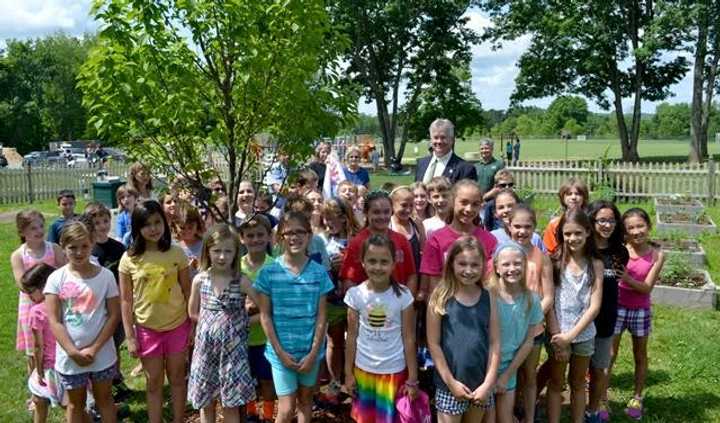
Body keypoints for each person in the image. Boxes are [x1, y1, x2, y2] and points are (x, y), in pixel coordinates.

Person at [254, 211, 334, 423]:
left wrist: (313, 353)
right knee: (287, 408)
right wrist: (280, 353)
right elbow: (265, 316)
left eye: (300, 232)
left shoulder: (318, 273)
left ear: (309, 236)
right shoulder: (269, 273)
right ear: (280, 237)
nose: (294, 237)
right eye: (288, 232)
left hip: (310, 352)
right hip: (281, 354)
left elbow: (321, 317)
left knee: (306, 401)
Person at [119, 200, 191, 423]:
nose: (153, 228)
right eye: (147, 224)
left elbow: (189, 293)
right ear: (137, 227)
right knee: (153, 382)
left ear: (165, 223)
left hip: (178, 326)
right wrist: (130, 337)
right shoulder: (129, 259)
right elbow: (125, 300)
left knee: (178, 379)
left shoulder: (177, 253)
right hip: (147, 330)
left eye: (158, 222)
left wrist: (193, 326)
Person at [44, 221, 120, 423]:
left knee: (105, 399)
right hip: (70, 358)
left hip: (102, 354)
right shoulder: (55, 279)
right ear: (62, 246)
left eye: (84, 246)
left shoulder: (106, 277)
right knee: (75, 405)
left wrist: (94, 348)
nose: (79, 252)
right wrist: (72, 351)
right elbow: (54, 320)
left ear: (92, 243)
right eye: (72, 247)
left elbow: (113, 315)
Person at [344, 234, 418, 423]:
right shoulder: (355, 295)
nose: (378, 267)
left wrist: (413, 377)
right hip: (363, 370)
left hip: (394, 371)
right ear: (363, 263)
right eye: (372, 261)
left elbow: (409, 338)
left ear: (394, 264)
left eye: (384, 261)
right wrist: (348, 373)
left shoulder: (403, 295)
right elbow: (351, 337)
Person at [187, 224, 257, 422]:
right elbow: (192, 312)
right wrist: (211, 324)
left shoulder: (241, 281)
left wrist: (243, 322)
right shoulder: (200, 280)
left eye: (228, 251)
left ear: (236, 253)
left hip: (233, 353)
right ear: (207, 251)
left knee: (231, 402)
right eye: (217, 251)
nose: (222, 256)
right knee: (206, 401)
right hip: (206, 350)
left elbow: (265, 308)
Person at [426, 236, 499, 422]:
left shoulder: (488, 297)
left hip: (480, 384)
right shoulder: (440, 297)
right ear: (451, 264)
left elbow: (494, 342)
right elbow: (433, 344)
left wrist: (488, 383)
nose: (468, 270)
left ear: (483, 265)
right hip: (449, 385)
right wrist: (451, 383)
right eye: (462, 264)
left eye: (475, 265)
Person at [546, 209, 603, 423]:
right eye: (567, 234)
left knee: (578, 384)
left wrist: (571, 337)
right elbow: (549, 302)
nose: (572, 238)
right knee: (556, 382)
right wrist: (559, 337)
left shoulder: (595, 265)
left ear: (588, 232)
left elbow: (594, 306)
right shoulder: (554, 262)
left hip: (584, 335)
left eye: (578, 233)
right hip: (558, 334)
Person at [611, 208, 665, 421]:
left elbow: (646, 288)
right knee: (610, 354)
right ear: (624, 232)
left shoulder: (657, 255)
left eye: (640, 226)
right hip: (617, 307)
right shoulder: (620, 250)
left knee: (639, 355)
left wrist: (625, 278)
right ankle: (602, 398)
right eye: (630, 228)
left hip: (640, 311)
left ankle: (637, 397)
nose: (636, 231)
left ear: (648, 227)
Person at [505, 204, 554, 423]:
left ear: (535, 228)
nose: (522, 231)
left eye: (527, 227)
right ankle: (510, 412)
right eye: (517, 226)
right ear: (509, 225)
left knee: (529, 374)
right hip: (506, 327)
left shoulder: (541, 258)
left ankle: (529, 416)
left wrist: (531, 319)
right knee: (508, 374)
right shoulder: (502, 255)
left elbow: (548, 296)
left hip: (532, 329)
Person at [487, 242, 544, 423]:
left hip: (509, 369)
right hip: (485, 367)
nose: (512, 268)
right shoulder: (487, 296)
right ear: (496, 267)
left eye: (517, 263)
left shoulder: (531, 299)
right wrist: (491, 375)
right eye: (506, 264)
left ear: (525, 266)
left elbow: (528, 341)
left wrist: (506, 375)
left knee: (504, 418)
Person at [586, 201, 628, 423]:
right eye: (601, 220)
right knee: (576, 368)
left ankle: (592, 409)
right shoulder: (583, 248)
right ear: (592, 221)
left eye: (611, 220)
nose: (607, 224)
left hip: (606, 319)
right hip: (581, 320)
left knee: (600, 368)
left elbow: (617, 281)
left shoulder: (619, 251)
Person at [84, 202, 130, 399]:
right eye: (96, 222)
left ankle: (116, 378)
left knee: (115, 344)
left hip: (116, 305)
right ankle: (96, 386)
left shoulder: (118, 248)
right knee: (101, 345)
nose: (102, 226)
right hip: (96, 307)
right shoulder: (88, 251)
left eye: (105, 221)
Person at [11, 210, 66, 374]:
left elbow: (64, 272)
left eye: (41, 226)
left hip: (54, 302)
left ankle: (57, 382)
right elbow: (21, 282)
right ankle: (36, 390)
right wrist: (37, 294)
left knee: (55, 342)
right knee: (34, 348)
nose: (39, 231)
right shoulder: (18, 255)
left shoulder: (54, 249)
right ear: (22, 232)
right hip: (31, 305)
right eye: (33, 228)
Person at [420, 179, 497, 292]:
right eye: (464, 202)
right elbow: (433, 285)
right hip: (446, 304)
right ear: (452, 201)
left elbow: (491, 281)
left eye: (475, 204)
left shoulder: (489, 240)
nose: (469, 209)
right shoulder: (436, 239)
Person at [319, 198, 361, 405]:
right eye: (325, 219)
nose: (328, 223)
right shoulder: (322, 240)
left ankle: (354, 383)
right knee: (335, 341)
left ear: (344, 218)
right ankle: (335, 382)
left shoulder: (357, 238)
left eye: (332, 219)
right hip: (332, 298)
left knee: (357, 341)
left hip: (355, 298)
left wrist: (346, 264)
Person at [340, 190, 418, 296]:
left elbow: (411, 275)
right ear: (366, 213)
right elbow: (349, 280)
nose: (382, 216)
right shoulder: (357, 242)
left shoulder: (401, 240)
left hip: (398, 304)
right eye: (376, 212)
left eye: (386, 212)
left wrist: (407, 302)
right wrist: (359, 304)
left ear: (392, 211)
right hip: (368, 304)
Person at [238, 215, 277, 422]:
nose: (255, 240)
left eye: (260, 235)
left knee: (266, 379)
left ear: (269, 236)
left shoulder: (274, 266)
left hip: (266, 337)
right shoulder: (236, 267)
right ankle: (251, 413)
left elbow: (274, 304)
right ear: (242, 238)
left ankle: (268, 415)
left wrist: (258, 308)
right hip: (242, 337)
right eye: (250, 235)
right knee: (246, 379)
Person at [22, 263, 65, 423]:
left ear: (43, 286)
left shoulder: (37, 311)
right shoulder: (65, 303)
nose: (29, 296)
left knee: (40, 400)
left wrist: (38, 371)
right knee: (72, 405)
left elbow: (38, 346)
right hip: (69, 363)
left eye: (30, 292)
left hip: (49, 367)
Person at [415, 118, 477, 185]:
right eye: (435, 137)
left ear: (452, 140)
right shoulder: (421, 163)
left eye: (443, 137)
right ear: (430, 140)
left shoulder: (465, 169)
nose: (439, 141)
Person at [542, 177, 589, 255]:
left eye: (578, 194)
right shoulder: (554, 224)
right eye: (569, 194)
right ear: (562, 197)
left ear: (584, 197)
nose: (573, 197)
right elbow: (548, 251)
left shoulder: (590, 221)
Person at [174, 201, 205, 280]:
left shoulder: (204, 245)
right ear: (175, 225)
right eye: (182, 228)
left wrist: (198, 266)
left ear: (197, 225)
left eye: (190, 227)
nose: (187, 231)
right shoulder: (174, 246)